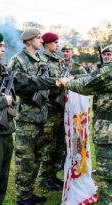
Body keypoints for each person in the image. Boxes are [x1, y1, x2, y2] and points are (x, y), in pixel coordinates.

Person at [0, 30, 60, 205]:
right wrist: (3, 100)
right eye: (0, 46)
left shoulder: (2, 70)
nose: (4, 49)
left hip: (5, 131)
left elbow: (26, 82)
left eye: (4, 45)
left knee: (2, 178)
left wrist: (53, 82)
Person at [59, 22, 112, 205]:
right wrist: (76, 77)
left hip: (110, 130)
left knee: (109, 182)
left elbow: (89, 85)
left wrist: (67, 82)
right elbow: (97, 77)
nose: (111, 40)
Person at [7, 28, 58, 205]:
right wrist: (44, 83)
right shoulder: (17, 60)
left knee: (37, 156)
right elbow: (18, 85)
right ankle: (22, 197)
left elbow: (51, 81)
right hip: (27, 116)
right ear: (28, 41)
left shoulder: (41, 59)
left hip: (42, 114)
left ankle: (29, 192)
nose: (40, 40)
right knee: (25, 159)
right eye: (37, 38)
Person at [39, 32, 64, 191]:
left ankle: (53, 174)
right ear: (47, 43)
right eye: (55, 42)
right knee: (48, 144)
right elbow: (42, 83)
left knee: (58, 144)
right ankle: (44, 177)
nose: (57, 45)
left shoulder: (59, 60)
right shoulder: (41, 61)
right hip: (48, 108)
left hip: (59, 108)